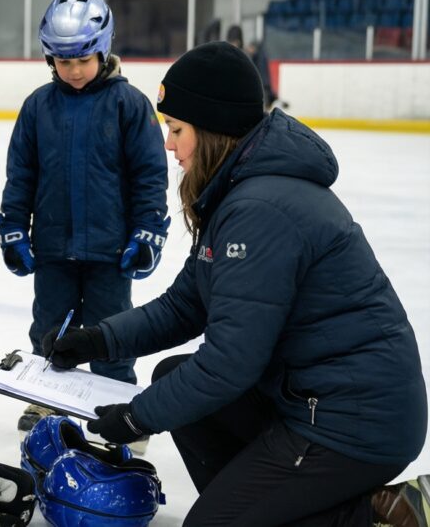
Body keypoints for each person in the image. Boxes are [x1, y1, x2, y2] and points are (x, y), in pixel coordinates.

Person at [43, 41, 428, 525]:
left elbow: (230, 362)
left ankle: (380, 514)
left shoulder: (258, 210)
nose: (168, 144)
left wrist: (138, 417)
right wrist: (100, 339)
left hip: (352, 422)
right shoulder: (238, 194)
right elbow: (186, 305)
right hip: (313, 398)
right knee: (174, 380)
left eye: (176, 129)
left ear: (211, 131)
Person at [0, 0, 169, 432]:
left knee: (113, 330)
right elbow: (22, 175)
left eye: (82, 59)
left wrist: (148, 231)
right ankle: (45, 397)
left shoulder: (128, 105)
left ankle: (117, 406)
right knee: (49, 326)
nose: (73, 70)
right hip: (53, 247)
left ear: (103, 49)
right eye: (62, 61)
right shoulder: (38, 107)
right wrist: (15, 229)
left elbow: (149, 175)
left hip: (111, 251)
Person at [227, 24, 280, 111]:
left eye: (236, 41)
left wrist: (267, 94)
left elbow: (260, 77)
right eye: (232, 41)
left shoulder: (250, 56)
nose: (234, 44)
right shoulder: (226, 55)